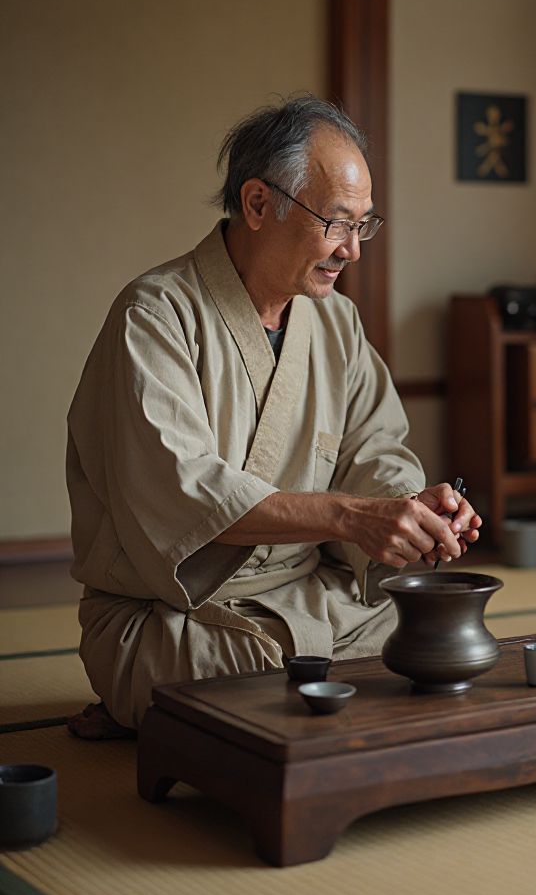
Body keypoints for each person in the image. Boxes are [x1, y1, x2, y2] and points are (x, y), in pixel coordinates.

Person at [66, 96, 481, 736]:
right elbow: (184, 492)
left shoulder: (337, 322)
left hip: (314, 598)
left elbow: (376, 451)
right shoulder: (155, 314)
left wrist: (409, 509)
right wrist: (351, 516)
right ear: (259, 204)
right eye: (337, 223)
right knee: (246, 678)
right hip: (183, 612)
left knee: (439, 631)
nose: (352, 251)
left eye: (364, 225)